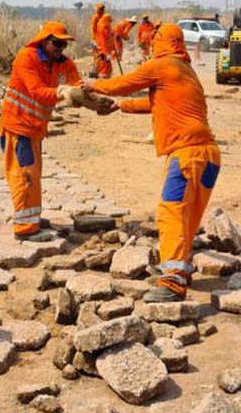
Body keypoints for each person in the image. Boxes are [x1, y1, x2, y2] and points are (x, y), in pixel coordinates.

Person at [84, 23, 220, 303]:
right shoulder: (185, 71)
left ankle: (171, 282)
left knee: (170, 214)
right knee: (188, 219)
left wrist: (93, 84)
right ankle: (182, 271)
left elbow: (124, 83)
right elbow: (156, 104)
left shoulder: (163, 65)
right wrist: (122, 106)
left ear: (160, 42)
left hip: (186, 155)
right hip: (209, 156)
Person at [0, 21, 81, 238]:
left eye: (64, 45)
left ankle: (32, 218)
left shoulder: (63, 63)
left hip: (35, 130)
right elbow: (37, 92)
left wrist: (93, 97)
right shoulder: (27, 57)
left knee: (34, 176)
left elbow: (78, 84)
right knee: (24, 177)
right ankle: (25, 228)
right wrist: (63, 92)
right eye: (56, 44)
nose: (60, 49)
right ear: (44, 40)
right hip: (18, 127)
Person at [88, 3, 106, 77]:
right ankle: (95, 72)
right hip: (96, 39)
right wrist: (93, 39)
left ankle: (100, 71)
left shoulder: (104, 17)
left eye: (103, 9)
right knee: (97, 56)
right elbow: (92, 28)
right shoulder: (95, 17)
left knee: (102, 56)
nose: (102, 10)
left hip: (102, 39)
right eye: (101, 9)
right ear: (98, 9)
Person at [95, 13, 115, 78]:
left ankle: (108, 77)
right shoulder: (101, 28)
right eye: (109, 21)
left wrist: (112, 33)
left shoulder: (107, 27)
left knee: (108, 64)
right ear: (106, 20)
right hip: (103, 51)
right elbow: (103, 42)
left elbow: (109, 37)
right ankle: (102, 78)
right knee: (104, 64)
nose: (110, 23)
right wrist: (106, 54)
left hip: (107, 50)